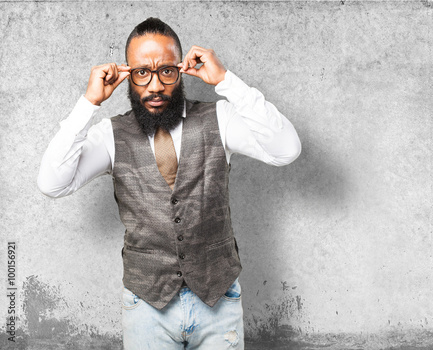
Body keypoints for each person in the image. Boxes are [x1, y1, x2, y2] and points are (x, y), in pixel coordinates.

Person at [37, 17, 301, 349]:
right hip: (147, 307)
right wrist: (88, 104)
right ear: (127, 75)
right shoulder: (109, 135)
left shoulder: (219, 118)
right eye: (142, 72)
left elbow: (287, 150)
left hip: (219, 299)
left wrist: (226, 80)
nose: (155, 86)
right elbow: (52, 184)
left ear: (180, 69)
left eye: (166, 71)